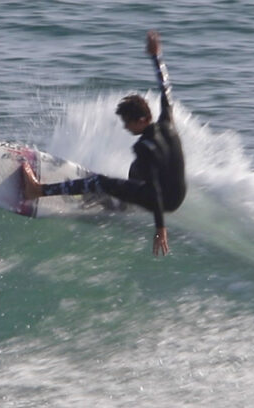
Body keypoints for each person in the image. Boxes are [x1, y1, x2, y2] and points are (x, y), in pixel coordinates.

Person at [22, 30, 186, 256]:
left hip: (165, 200)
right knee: (135, 169)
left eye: (128, 123)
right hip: (179, 193)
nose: (125, 127)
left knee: (99, 182)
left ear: (141, 120)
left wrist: (160, 229)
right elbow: (166, 90)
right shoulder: (167, 121)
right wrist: (156, 57)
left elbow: (155, 189)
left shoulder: (144, 146)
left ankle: (37, 190)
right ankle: (124, 204)